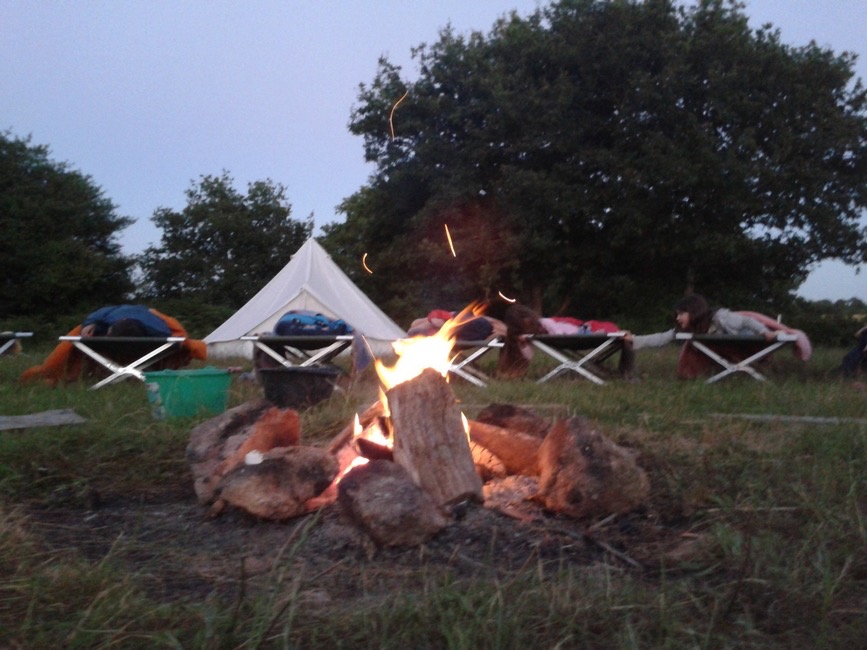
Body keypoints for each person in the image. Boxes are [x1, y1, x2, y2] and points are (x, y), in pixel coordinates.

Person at [20, 304, 207, 386]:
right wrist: (90, 324)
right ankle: (137, 375)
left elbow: (97, 314)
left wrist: (91, 324)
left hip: (130, 337)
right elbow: (174, 338)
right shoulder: (156, 329)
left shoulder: (153, 324)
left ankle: (108, 377)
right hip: (144, 344)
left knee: (85, 341)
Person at [627, 293, 778, 379]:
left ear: (694, 312)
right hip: (724, 351)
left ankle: (763, 358)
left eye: (681, 314)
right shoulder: (686, 329)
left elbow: (747, 320)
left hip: (744, 342)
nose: (677, 318)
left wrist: (764, 331)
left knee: (745, 334)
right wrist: (634, 339)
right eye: (677, 314)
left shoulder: (720, 318)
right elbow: (661, 338)